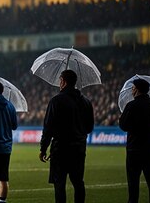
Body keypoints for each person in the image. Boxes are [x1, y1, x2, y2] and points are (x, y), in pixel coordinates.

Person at [39, 69, 94, 203]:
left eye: (60, 80)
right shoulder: (86, 102)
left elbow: (48, 128)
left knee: (60, 184)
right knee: (78, 182)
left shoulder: (56, 101)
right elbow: (89, 128)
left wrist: (43, 148)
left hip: (60, 149)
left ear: (63, 81)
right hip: (79, 149)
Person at [119, 78, 150, 203]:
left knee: (133, 184)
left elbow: (123, 126)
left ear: (137, 90)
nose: (132, 90)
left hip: (134, 150)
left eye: (133, 88)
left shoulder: (131, 105)